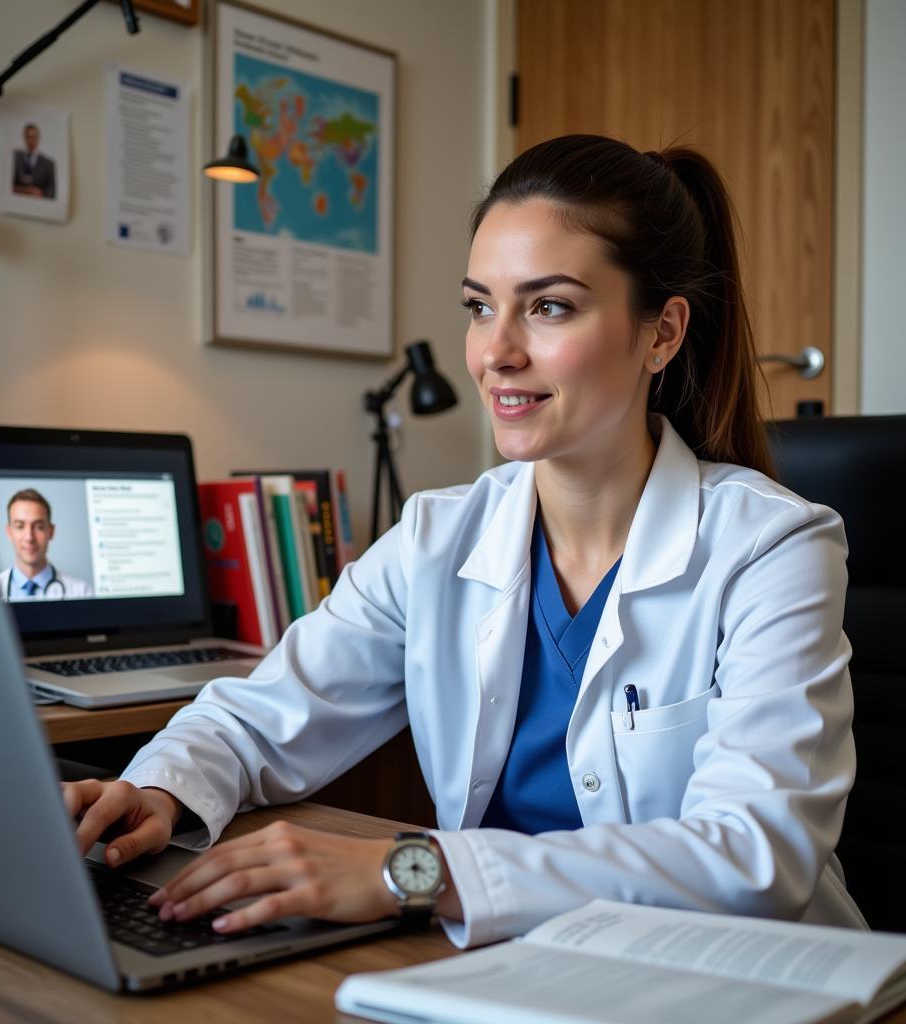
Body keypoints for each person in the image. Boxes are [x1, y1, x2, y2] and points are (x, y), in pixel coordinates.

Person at [64, 135, 865, 947]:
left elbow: (758, 857)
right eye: (481, 306)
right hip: (518, 971)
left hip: (734, 981)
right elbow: (259, 720)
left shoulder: (772, 546)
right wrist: (157, 791)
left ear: (661, 334)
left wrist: (413, 873)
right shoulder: (437, 537)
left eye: (549, 306)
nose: (496, 353)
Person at [0, 488, 92, 601]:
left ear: (51, 531)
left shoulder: (81, 592)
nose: (29, 537)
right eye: (20, 526)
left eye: (39, 527)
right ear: (9, 532)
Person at [12, 123, 56, 199]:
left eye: (34, 137)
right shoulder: (15, 157)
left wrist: (40, 192)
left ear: (38, 138)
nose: (31, 141)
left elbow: (52, 190)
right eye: (29, 137)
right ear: (24, 138)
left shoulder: (48, 164)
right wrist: (23, 190)